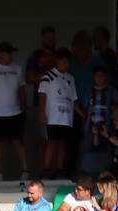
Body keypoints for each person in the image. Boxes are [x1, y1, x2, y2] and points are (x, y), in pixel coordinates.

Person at [0, 42, 28, 181]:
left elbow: (22, 90)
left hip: (15, 112)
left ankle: (25, 170)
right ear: (1, 54)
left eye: (11, 53)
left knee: (18, 142)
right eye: (8, 53)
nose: (10, 56)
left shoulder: (17, 69)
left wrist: (24, 108)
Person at [38, 49, 77, 177]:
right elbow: (42, 95)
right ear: (57, 61)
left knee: (62, 143)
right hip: (53, 117)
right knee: (52, 142)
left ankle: (60, 170)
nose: (65, 64)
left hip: (66, 117)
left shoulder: (71, 78)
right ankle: (46, 170)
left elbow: (73, 99)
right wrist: (42, 113)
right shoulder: (47, 76)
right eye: (62, 61)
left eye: (67, 61)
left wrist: (83, 115)